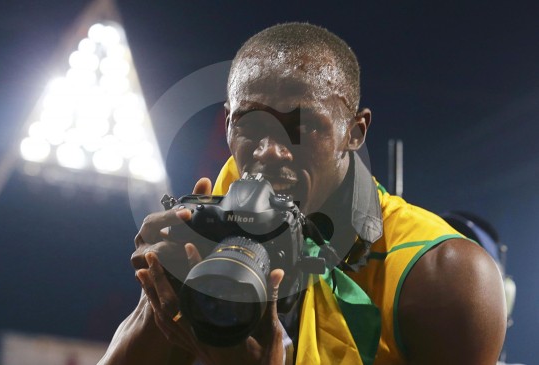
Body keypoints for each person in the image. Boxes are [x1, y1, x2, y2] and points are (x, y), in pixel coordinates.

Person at [99, 23, 507, 365]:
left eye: (304, 125)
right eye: (249, 125)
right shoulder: (216, 218)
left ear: (354, 132)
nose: (269, 151)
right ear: (227, 124)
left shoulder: (444, 276)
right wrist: (156, 303)